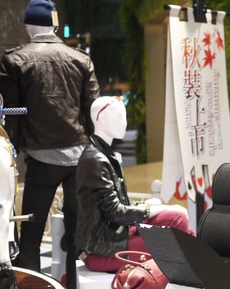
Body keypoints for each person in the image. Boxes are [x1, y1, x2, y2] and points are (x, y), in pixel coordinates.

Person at [0, 0, 100, 289]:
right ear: (54, 26)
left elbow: (11, 115)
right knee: (77, 231)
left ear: (29, 25)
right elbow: (93, 111)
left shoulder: (14, 60)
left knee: (31, 234)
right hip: (79, 157)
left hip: (41, 159)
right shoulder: (80, 59)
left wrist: (15, 149)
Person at [75, 96, 193, 272]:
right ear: (102, 119)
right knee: (177, 240)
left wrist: (149, 207)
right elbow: (115, 212)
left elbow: (116, 208)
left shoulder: (106, 155)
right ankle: (193, 267)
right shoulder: (95, 159)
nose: (124, 123)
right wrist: (150, 209)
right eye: (119, 117)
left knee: (179, 217)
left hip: (117, 234)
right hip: (102, 249)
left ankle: (191, 264)